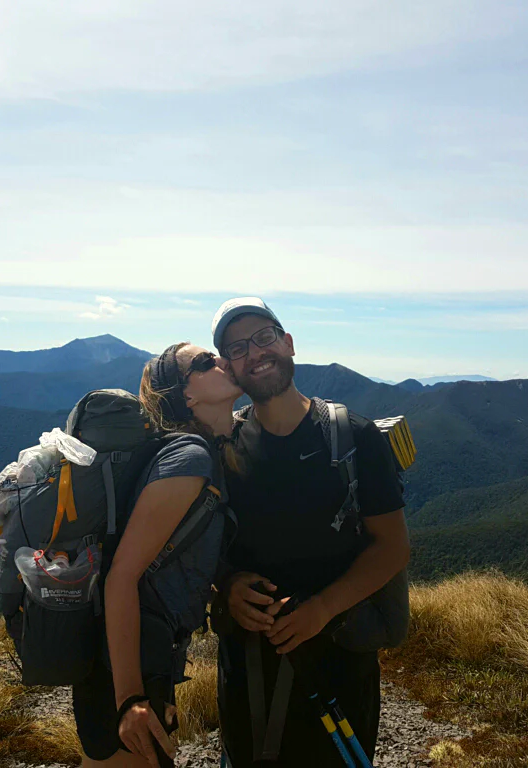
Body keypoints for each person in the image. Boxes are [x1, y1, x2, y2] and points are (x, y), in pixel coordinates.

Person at [211, 297, 411, 768]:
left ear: (289, 343)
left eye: (264, 337)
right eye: (238, 348)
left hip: (338, 662)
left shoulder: (355, 439)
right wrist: (229, 584)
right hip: (247, 669)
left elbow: (393, 546)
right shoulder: (221, 450)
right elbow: (203, 546)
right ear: (229, 369)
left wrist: (322, 609)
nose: (255, 352)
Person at [74, 341, 241, 767]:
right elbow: (122, 576)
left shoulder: (203, 450)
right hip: (124, 673)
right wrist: (130, 699)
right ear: (187, 396)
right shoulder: (189, 457)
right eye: (206, 362)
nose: (222, 360)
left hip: (140, 660)